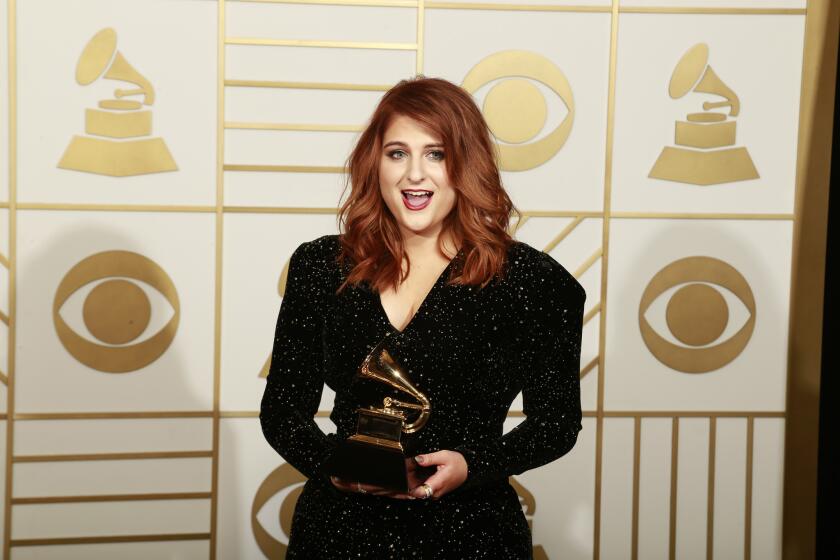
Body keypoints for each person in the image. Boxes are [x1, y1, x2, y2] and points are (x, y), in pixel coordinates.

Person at [260, 76, 585, 559]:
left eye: (436, 154)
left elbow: (556, 423)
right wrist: (334, 465)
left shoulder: (532, 281)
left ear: (466, 164)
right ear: (375, 163)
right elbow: (283, 410)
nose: (415, 174)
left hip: (472, 536)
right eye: (397, 153)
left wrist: (473, 465)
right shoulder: (319, 267)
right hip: (337, 536)